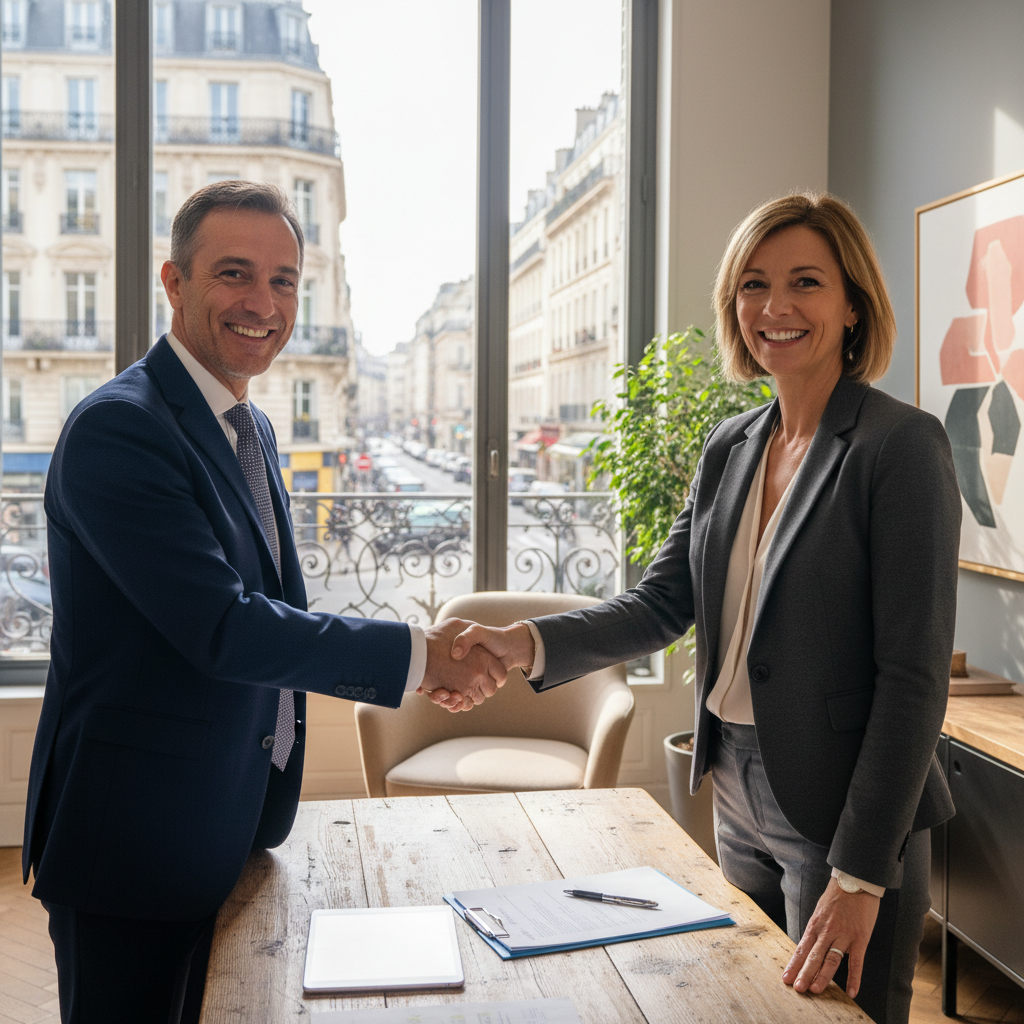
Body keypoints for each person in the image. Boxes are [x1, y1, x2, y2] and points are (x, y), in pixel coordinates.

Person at [427, 193, 961, 1024]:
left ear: (853, 304)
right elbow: (661, 602)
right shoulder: (732, 445)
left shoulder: (901, 445)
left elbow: (914, 679)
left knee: (844, 1017)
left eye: (805, 283)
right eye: (754, 284)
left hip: (843, 807)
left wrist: (860, 876)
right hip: (736, 782)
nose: (774, 308)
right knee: (743, 1002)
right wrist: (521, 642)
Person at [22, 179, 504, 1024]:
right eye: (235, 274)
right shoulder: (121, 429)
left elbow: (265, 599)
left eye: (284, 280)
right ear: (174, 284)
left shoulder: (249, 424)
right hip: (134, 837)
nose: (264, 303)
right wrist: (423, 657)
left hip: (225, 812)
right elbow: (224, 626)